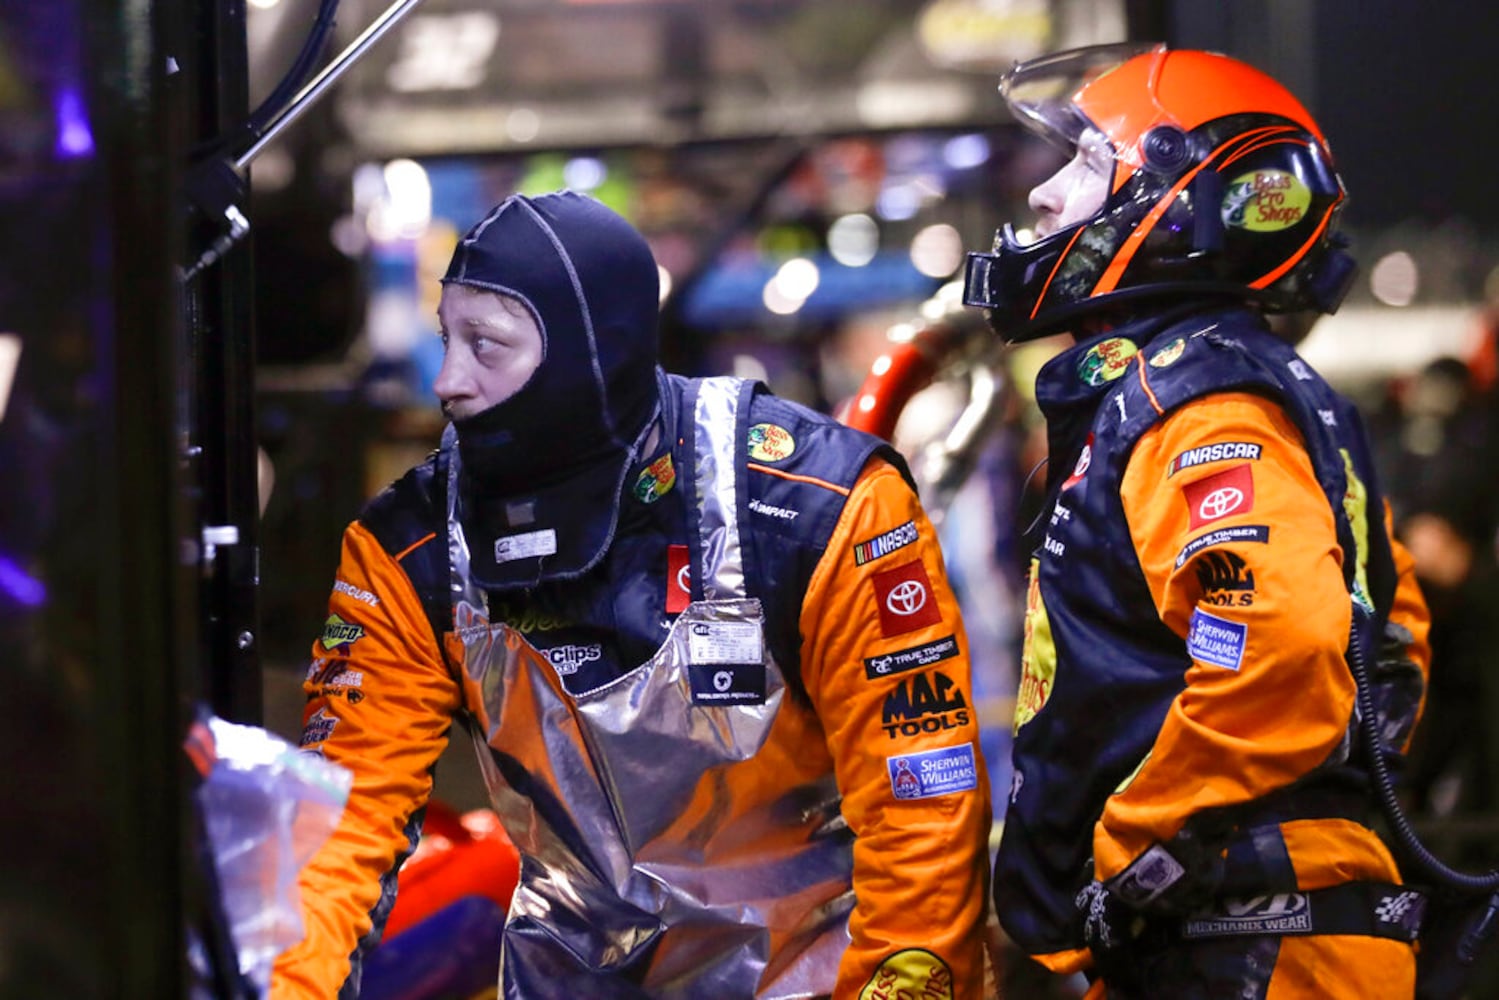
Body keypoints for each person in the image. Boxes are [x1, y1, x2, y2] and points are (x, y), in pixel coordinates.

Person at [270, 190, 992, 999]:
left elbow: (920, 804)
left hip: (823, 972)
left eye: (487, 344)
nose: (447, 381)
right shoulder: (407, 550)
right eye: (448, 340)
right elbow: (342, 824)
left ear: (589, 351)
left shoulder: (815, 505)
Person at [960, 43, 1433, 997]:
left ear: (1180, 203)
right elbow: (1395, 645)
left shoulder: (1198, 400)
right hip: (1252, 931)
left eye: (1086, 164)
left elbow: (1284, 650)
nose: (1047, 197)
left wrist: (1138, 850)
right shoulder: (1228, 383)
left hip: (1245, 941)